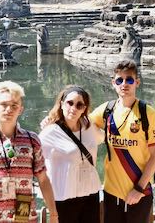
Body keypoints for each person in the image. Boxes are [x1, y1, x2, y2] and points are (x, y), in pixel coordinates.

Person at [0, 81, 59, 223]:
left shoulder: (31, 140)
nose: (9, 109)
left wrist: (54, 214)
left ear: (20, 109)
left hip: (24, 216)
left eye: (14, 105)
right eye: (4, 105)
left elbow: (43, 180)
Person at [89, 59, 155, 223]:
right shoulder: (106, 110)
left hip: (140, 192)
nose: (124, 84)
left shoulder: (148, 114)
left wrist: (138, 189)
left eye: (129, 79)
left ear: (137, 82)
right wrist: (52, 120)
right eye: (119, 80)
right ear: (113, 83)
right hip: (112, 192)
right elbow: (79, 124)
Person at [38, 86, 103, 223]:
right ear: (61, 104)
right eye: (70, 103)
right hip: (64, 196)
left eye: (79, 105)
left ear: (84, 109)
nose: (73, 108)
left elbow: (105, 138)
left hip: (91, 192)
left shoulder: (89, 126)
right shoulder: (50, 132)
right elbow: (35, 162)